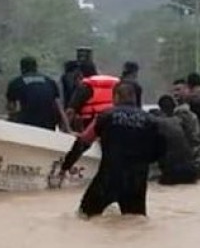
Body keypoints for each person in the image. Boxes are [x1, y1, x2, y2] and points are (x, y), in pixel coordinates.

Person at [58, 82, 165, 218]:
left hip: (108, 178)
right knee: (135, 222)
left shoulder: (106, 116)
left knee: (84, 217)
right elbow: (162, 149)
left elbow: (83, 142)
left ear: (116, 97)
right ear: (134, 97)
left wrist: (66, 166)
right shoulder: (151, 121)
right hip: (136, 181)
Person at [6, 57, 70, 132]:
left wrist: (10, 128)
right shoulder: (49, 81)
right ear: (36, 67)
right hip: (48, 124)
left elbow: (11, 109)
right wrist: (68, 129)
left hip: (28, 125)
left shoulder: (16, 83)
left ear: (22, 68)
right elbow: (59, 108)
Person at [155, 95, 199, 185]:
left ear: (160, 108)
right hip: (191, 173)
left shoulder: (157, 123)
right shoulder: (180, 121)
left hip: (172, 175)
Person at [65, 61, 120, 131]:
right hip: (111, 124)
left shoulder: (85, 87)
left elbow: (70, 111)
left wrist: (64, 131)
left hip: (90, 126)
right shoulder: (112, 85)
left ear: (80, 74)